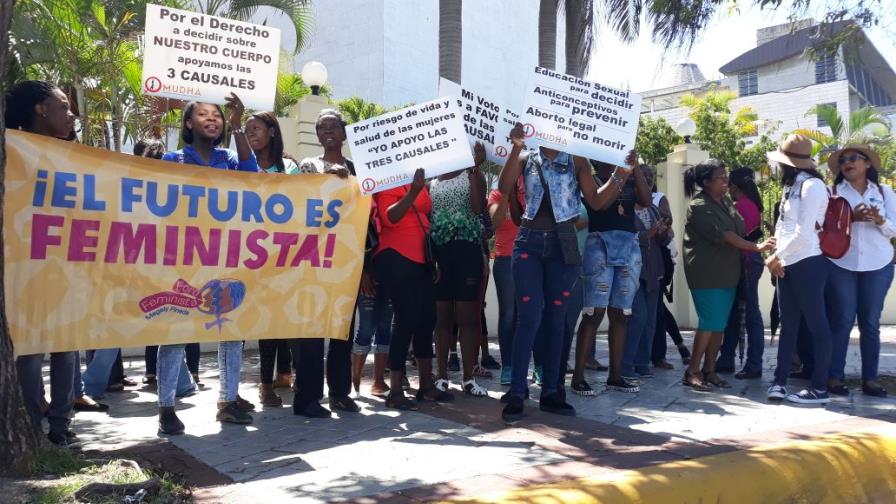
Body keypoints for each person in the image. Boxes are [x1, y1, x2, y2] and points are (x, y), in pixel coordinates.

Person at [498, 122, 640, 423]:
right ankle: (518, 392)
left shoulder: (577, 159)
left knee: (557, 320)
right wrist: (517, 147)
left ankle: (552, 391)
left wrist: (621, 173)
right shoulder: (528, 157)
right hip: (529, 244)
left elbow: (598, 200)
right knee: (530, 317)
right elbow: (502, 186)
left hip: (563, 247)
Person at [158, 95, 259, 433]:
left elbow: (252, 173)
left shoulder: (228, 159)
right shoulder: (173, 160)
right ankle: (166, 407)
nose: (211, 119)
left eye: (217, 116)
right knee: (175, 330)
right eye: (202, 114)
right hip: (182, 256)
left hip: (224, 254)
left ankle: (227, 401)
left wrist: (239, 123)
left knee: (230, 327)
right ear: (188, 124)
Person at [7, 80, 80, 445]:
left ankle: (60, 426)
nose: (71, 115)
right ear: (40, 110)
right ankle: (33, 424)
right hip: (27, 268)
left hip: (66, 266)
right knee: (32, 350)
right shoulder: (11, 149)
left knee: (67, 347)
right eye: (63, 106)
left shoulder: (77, 156)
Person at [292, 109, 362, 417]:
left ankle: (340, 393)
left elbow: (363, 213)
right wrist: (330, 180)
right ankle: (307, 398)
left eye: (333, 127)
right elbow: (301, 197)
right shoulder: (310, 164)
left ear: (344, 134)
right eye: (322, 128)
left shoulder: (358, 168)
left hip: (347, 260)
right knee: (310, 331)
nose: (327, 132)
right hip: (314, 257)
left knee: (341, 331)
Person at [682, 160, 774, 392]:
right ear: (705, 182)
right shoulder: (699, 205)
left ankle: (710, 370)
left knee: (719, 325)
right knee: (710, 322)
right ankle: (692, 371)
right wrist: (757, 248)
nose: (726, 182)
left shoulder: (724, 202)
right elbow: (727, 235)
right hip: (707, 273)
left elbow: (739, 228)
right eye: (720, 178)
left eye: (726, 177)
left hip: (727, 272)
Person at [569, 157, 652, 396]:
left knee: (621, 314)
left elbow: (646, 201)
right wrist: (621, 173)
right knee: (594, 313)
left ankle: (615, 376)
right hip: (600, 244)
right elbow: (599, 205)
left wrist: (634, 170)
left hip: (628, 245)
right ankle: (578, 378)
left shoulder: (628, 175)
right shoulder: (589, 175)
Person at [373, 166, 454, 410]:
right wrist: (414, 191)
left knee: (427, 320)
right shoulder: (387, 180)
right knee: (405, 319)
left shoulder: (417, 178)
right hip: (396, 255)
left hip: (423, 258)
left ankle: (426, 386)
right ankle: (395, 389)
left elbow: (425, 215)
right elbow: (390, 217)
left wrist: (433, 260)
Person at [765, 134, 833, 404]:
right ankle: (780, 381)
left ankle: (820, 388)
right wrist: (775, 251)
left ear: (789, 164)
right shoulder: (793, 185)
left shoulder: (813, 186)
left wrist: (776, 257)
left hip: (808, 263)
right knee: (788, 325)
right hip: (788, 263)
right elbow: (785, 225)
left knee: (818, 325)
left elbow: (805, 233)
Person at [825, 145, 895, 398]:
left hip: (878, 264)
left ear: (867, 164)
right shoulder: (832, 192)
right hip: (842, 263)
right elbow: (823, 227)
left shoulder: (884, 192)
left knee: (870, 323)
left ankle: (871, 380)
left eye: (853, 158)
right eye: (843, 160)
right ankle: (833, 377)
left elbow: (895, 229)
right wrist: (850, 218)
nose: (847, 163)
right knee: (841, 321)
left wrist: (880, 221)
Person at [246, 112, 297, 407]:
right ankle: (265, 386)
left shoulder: (289, 167)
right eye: (247, 129)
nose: (251, 133)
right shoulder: (241, 163)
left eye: (256, 128)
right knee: (265, 323)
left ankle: (283, 376)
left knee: (282, 321)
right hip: (250, 255)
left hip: (284, 254)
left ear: (272, 132)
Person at [431, 142, 488, 396]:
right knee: (442, 318)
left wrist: (475, 167)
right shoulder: (431, 179)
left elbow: (477, 208)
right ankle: (441, 376)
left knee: (467, 318)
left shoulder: (473, 174)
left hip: (467, 253)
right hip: (440, 255)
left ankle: (468, 378)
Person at [621, 165, 671, 383]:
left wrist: (662, 233)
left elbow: (665, 240)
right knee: (637, 317)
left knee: (650, 320)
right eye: (642, 176)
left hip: (654, 272)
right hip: (632, 272)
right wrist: (648, 234)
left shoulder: (654, 209)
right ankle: (625, 364)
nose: (648, 180)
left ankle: (643, 363)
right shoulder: (625, 208)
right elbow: (625, 238)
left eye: (650, 176)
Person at [719, 168, 767, 379]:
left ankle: (753, 363)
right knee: (736, 314)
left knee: (750, 316)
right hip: (748, 261)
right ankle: (727, 357)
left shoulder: (739, 207)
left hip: (745, 262)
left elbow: (735, 238)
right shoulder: (752, 205)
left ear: (734, 187)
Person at [488, 178, 524, 385]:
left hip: (533, 258)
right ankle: (508, 367)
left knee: (531, 314)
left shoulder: (534, 188)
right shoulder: (496, 194)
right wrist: (507, 196)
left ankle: (538, 366)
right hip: (506, 258)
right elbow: (495, 222)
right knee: (509, 314)